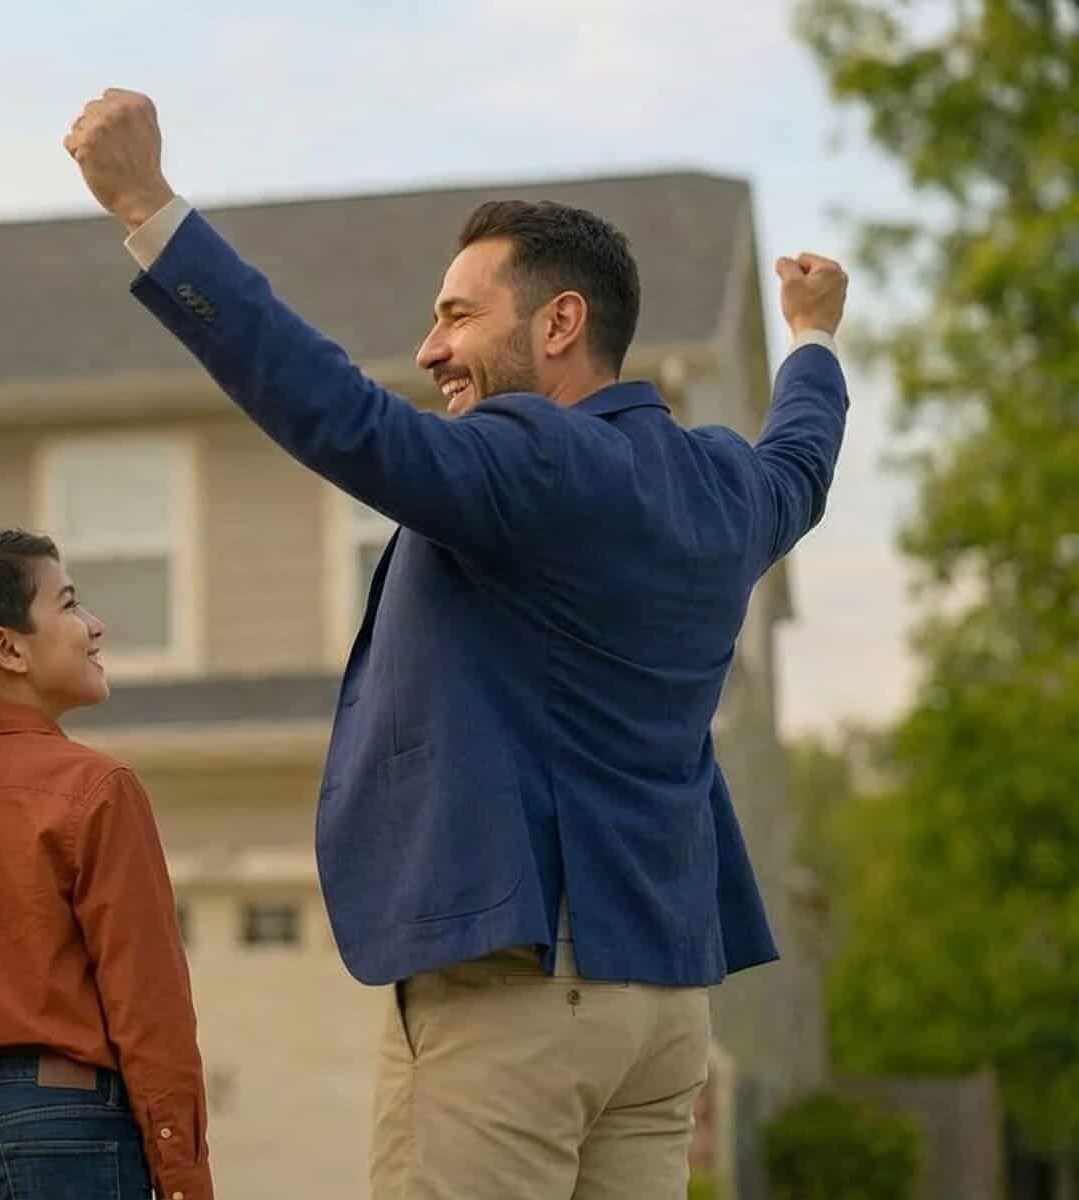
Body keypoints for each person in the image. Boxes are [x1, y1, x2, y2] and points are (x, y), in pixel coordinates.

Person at [64, 89, 851, 1197]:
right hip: (661, 1004)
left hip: (517, 1001)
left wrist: (147, 206)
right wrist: (811, 341)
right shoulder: (723, 484)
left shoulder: (529, 459)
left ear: (559, 324)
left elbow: (338, 415)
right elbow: (801, 466)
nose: (429, 349)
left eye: (457, 315)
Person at [0, 529, 215, 1200]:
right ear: (7, 648)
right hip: (67, 1125)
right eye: (70, 604)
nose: (95, 626)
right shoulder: (97, 789)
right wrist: (182, 1181)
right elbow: (151, 1009)